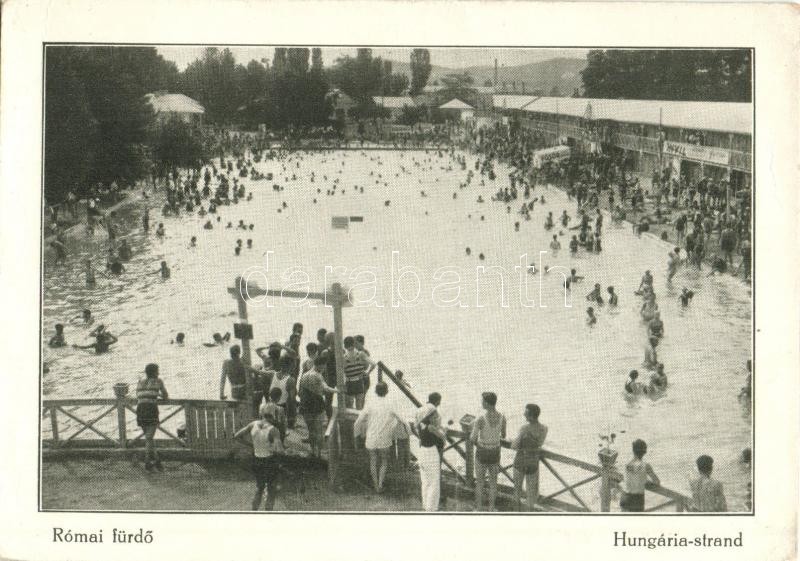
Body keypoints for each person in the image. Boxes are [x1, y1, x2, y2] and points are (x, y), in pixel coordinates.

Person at [354, 382, 409, 493]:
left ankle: (375, 485)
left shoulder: (370, 404)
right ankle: (380, 484)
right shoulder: (390, 404)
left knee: (373, 461)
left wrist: (357, 435)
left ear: (375, 391)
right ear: (387, 391)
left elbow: (358, 422)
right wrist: (409, 432)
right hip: (384, 439)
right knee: (384, 461)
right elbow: (404, 420)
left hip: (371, 438)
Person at [234, 405, 285, 510]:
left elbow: (237, 436)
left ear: (262, 414)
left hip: (257, 460)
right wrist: (273, 448)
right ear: (273, 415)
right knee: (271, 490)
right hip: (270, 461)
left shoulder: (253, 424)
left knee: (259, 489)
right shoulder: (274, 430)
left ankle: (254, 512)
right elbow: (280, 451)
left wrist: (251, 445)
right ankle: (268, 513)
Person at [470, 392, 506, 512]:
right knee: (493, 482)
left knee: (480, 482)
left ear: (486, 403)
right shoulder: (502, 417)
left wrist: (480, 444)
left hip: (482, 451)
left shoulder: (480, 418)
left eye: (482, 401)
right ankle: (491, 508)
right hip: (495, 451)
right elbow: (503, 435)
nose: (481, 403)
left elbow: (472, 438)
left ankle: (479, 508)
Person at [299, 355, 338, 459]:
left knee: (311, 431)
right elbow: (326, 388)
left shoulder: (304, 375)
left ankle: (312, 451)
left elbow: (300, 391)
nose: (324, 368)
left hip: (305, 405)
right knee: (319, 430)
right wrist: (338, 391)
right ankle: (319, 454)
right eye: (324, 366)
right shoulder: (317, 375)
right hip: (316, 404)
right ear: (320, 365)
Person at [511, 403, 547, 512]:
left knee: (517, 490)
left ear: (531, 416)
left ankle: (516, 513)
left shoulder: (524, 428)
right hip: (533, 462)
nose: (523, 414)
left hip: (521, 460)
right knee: (531, 494)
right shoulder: (544, 429)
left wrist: (515, 441)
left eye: (526, 413)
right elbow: (539, 443)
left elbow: (514, 446)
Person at [415, 393, 446, 512]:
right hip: (431, 452)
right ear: (430, 417)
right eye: (434, 417)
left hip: (422, 451)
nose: (435, 418)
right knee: (434, 481)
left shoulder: (421, 425)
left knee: (425, 481)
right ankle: (431, 508)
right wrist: (443, 430)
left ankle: (425, 504)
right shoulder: (431, 427)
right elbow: (442, 437)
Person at [136, 363, 169, 472]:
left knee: (149, 438)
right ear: (154, 372)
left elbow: (139, 395)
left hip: (140, 410)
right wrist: (158, 394)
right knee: (149, 438)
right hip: (151, 409)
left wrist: (152, 393)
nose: (158, 373)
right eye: (157, 371)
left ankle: (158, 461)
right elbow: (165, 396)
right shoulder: (158, 381)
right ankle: (147, 462)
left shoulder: (140, 382)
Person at [620, 439, 660, 512]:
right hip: (637, 499)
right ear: (644, 452)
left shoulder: (626, 464)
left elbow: (628, 478)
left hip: (625, 497)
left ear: (633, 450)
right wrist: (646, 482)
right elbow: (657, 482)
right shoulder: (646, 466)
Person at [343, 336, 374, 410]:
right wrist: (368, 373)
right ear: (354, 344)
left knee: (349, 408)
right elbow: (373, 364)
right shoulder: (361, 354)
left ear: (345, 346)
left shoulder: (344, 357)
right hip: (359, 382)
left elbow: (342, 372)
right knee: (359, 407)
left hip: (349, 383)